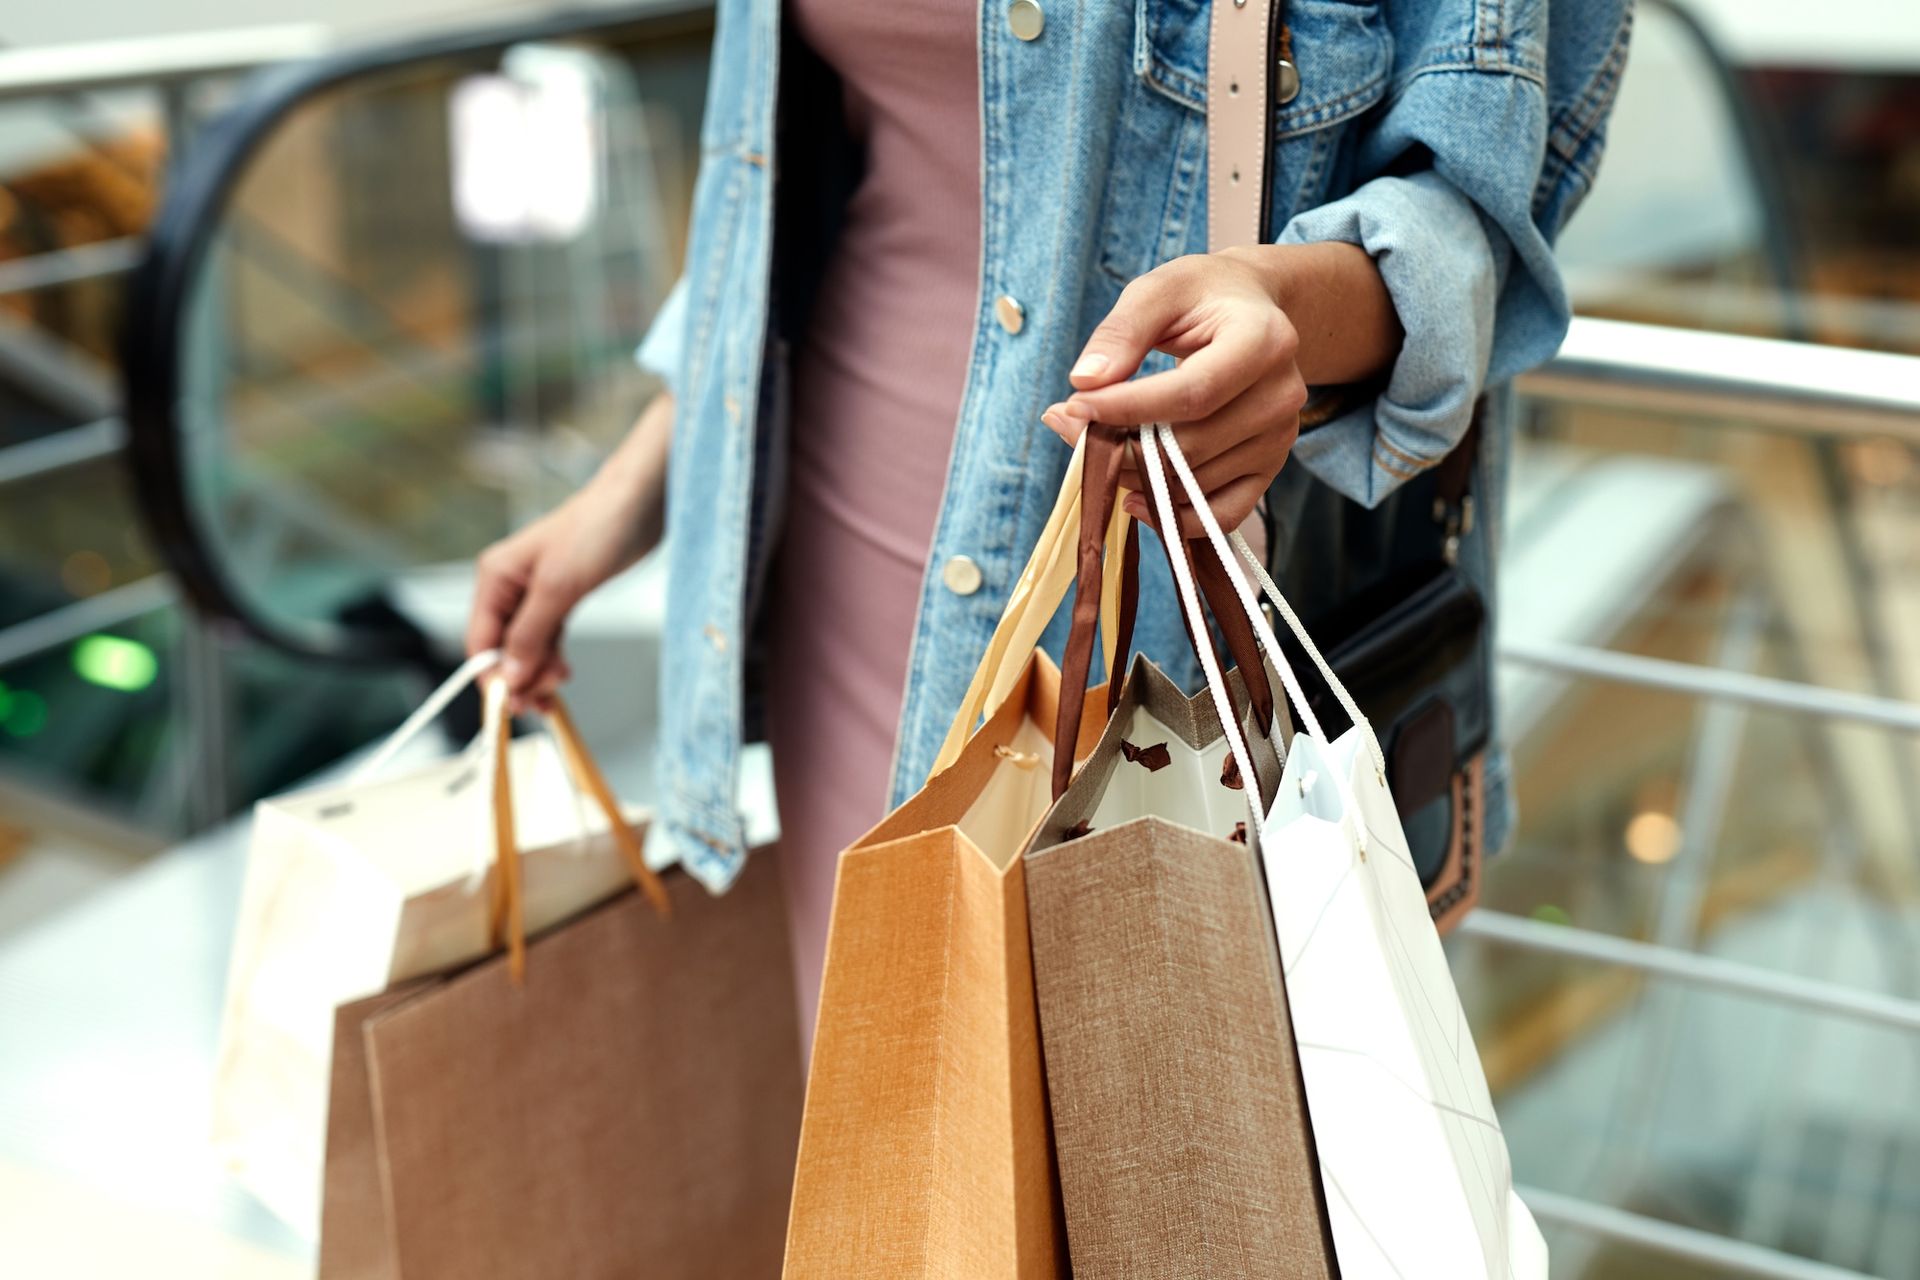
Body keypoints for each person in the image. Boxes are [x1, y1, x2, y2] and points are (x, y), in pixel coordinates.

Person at [467, 0, 1632, 1052]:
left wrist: (1286, 305)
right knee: (892, 1150)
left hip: (1158, 595)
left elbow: (1471, 215)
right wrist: (630, 492)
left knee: (1152, 1178)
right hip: (841, 559)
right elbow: (796, 161)